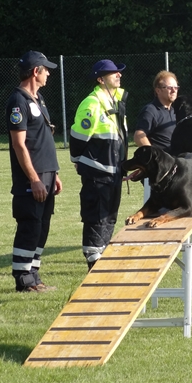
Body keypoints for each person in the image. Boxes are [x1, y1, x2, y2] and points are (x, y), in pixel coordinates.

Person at [6, 51, 62, 293]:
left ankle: (34, 275)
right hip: (32, 179)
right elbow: (19, 145)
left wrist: (53, 173)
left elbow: (42, 138)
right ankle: (23, 279)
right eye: (45, 69)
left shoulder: (38, 99)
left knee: (42, 226)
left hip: (46, 175)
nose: (48, 73)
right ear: (35, 71)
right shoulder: (18, 101)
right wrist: (34, 179)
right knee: (30, 226)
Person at [70, 60, 128, 271]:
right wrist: (78, 161)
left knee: (108, 218)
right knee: (96, 218)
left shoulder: (116, 101)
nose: (119, 75)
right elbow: (78, 139)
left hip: (113, 174)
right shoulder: (92, 103)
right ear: (100, 79)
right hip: (98, 175)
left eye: (118, 72)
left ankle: (101, 259)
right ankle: (94, 262)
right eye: (113, 73)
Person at [133, 70, 179, 150]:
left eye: (176, 87)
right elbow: (139, 136)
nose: (174, 90)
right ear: (158, 91)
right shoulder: (150, 110)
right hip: (161, 157)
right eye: (169, 87)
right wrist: (153, 155)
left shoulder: (175, 111)